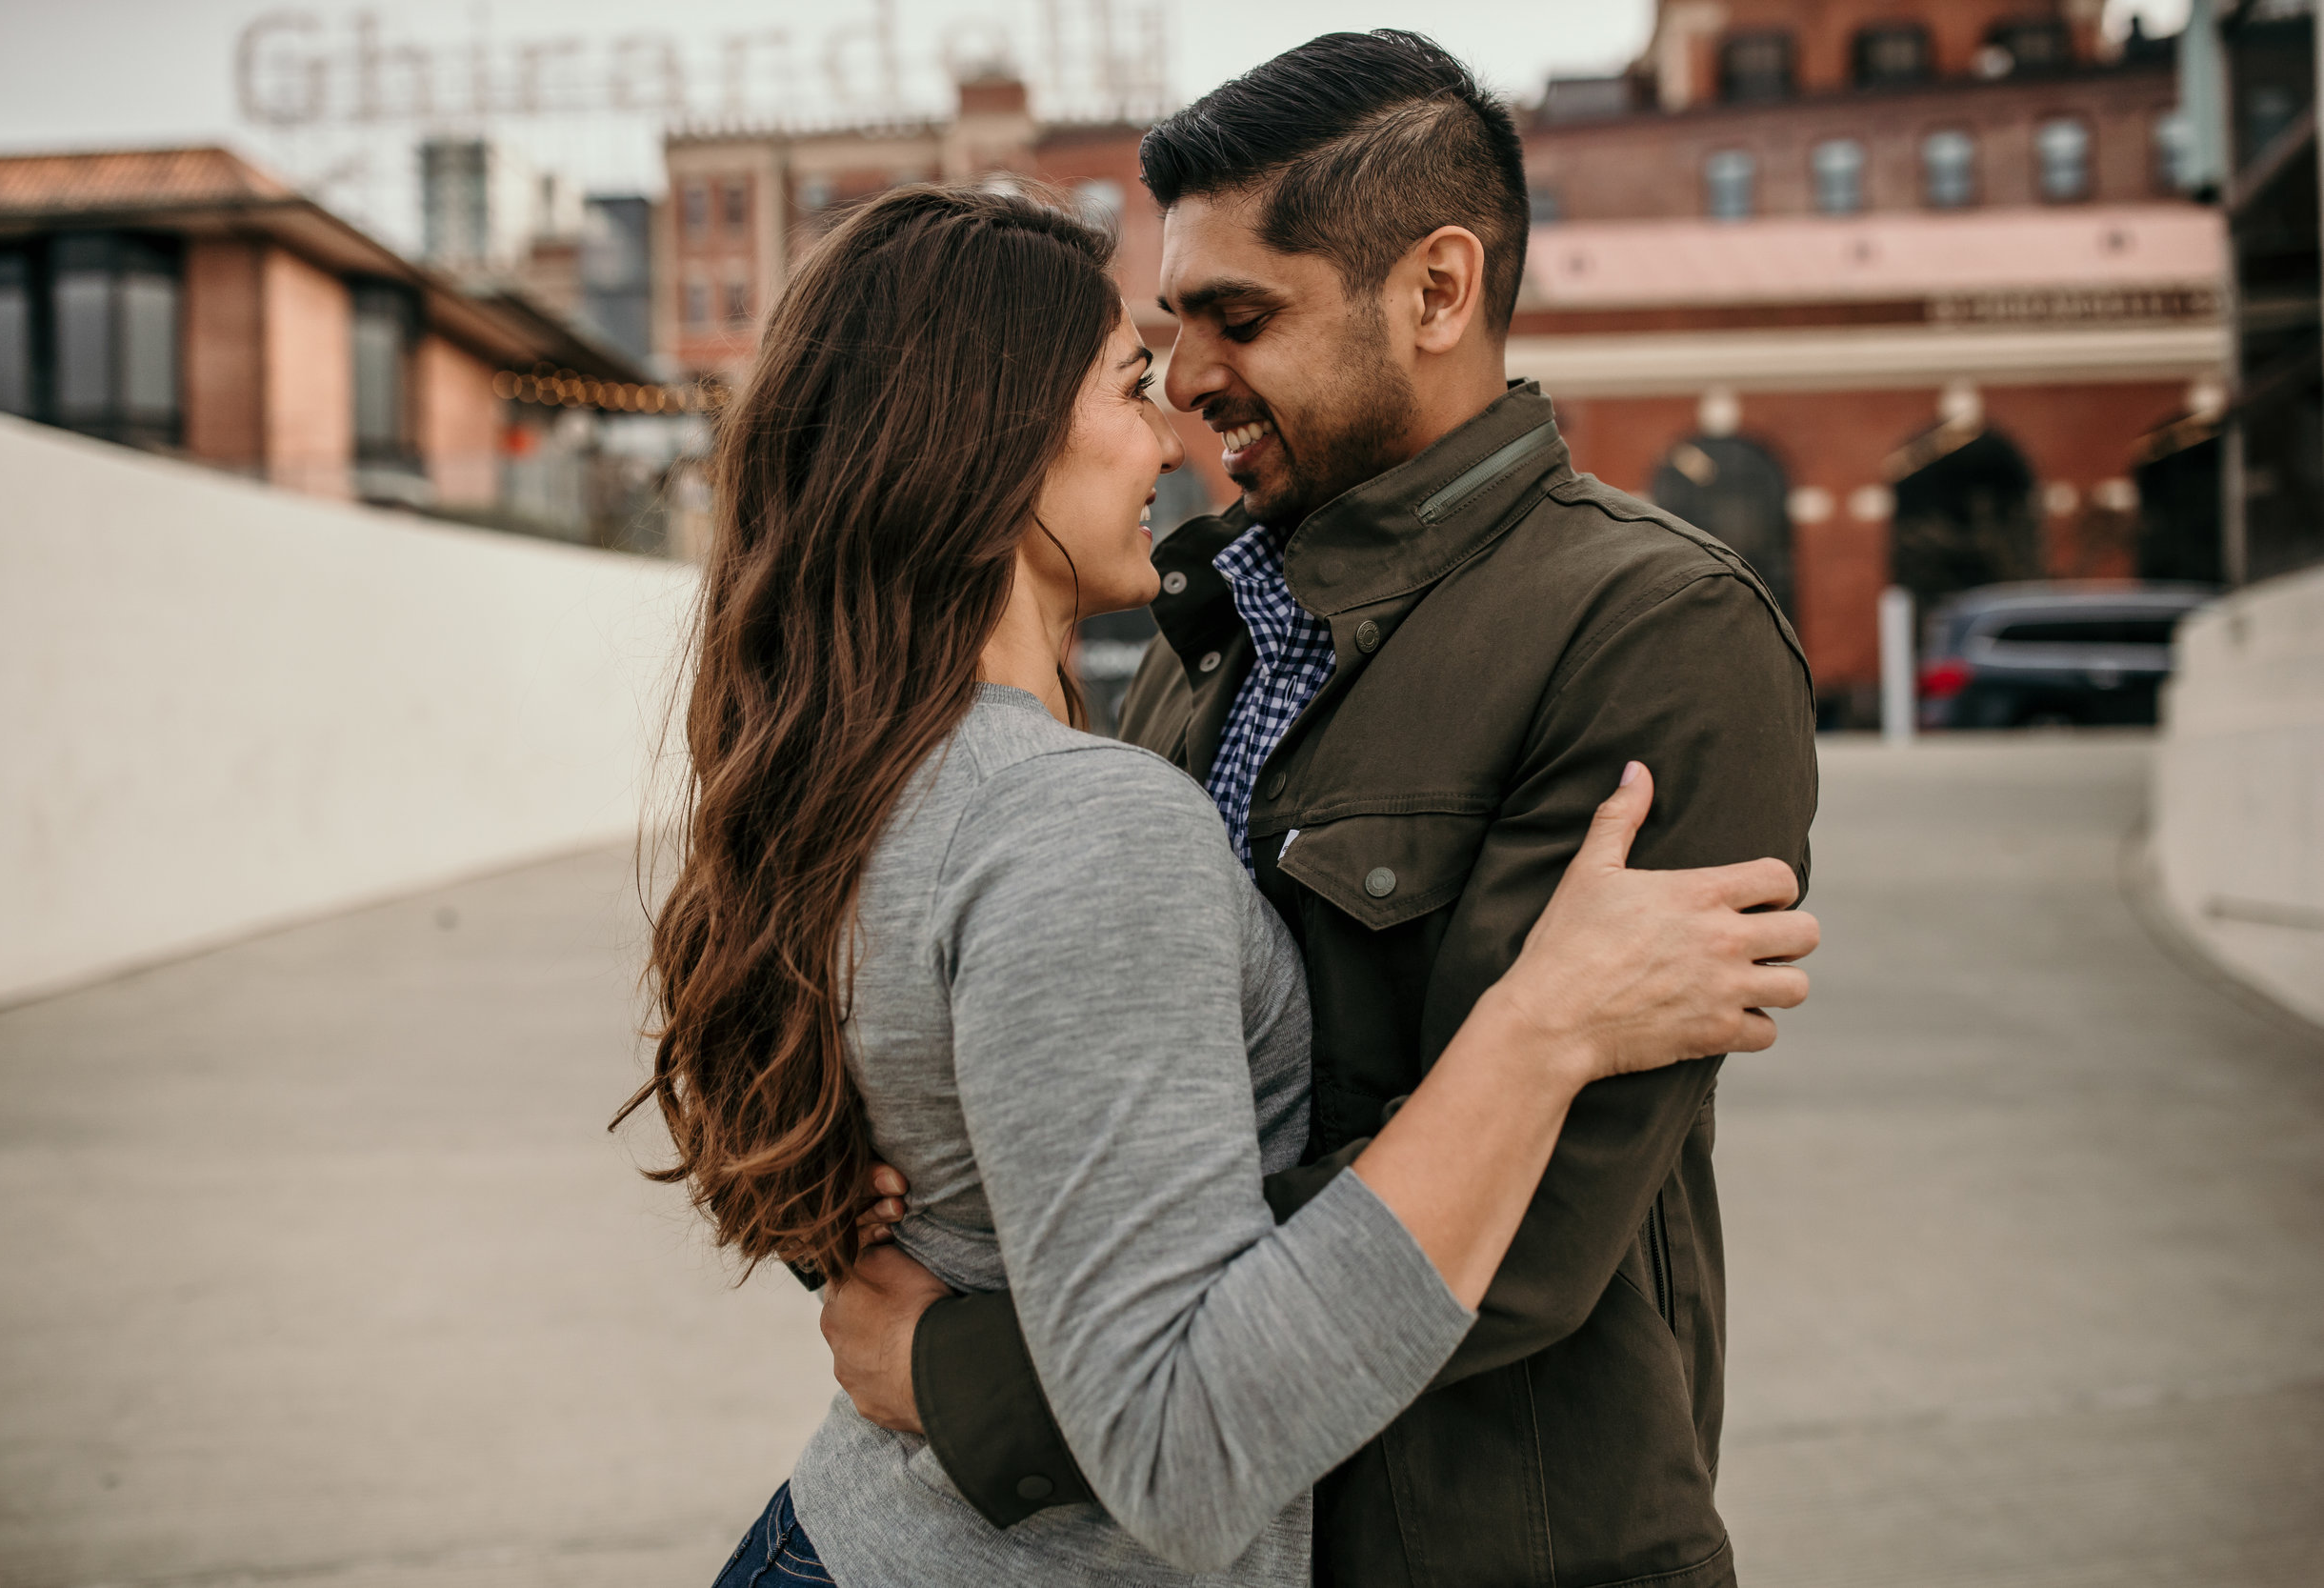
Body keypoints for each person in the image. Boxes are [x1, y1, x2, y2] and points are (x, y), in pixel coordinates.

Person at [619, 181, 1815, 1588]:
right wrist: (1543, 1024)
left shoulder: (867, 781)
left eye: (1231, 326)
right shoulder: (1077, 818)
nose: (1171, 425)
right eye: (1132, 381)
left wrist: (954, 1353)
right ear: (988, 444)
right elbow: (1184, 1447)